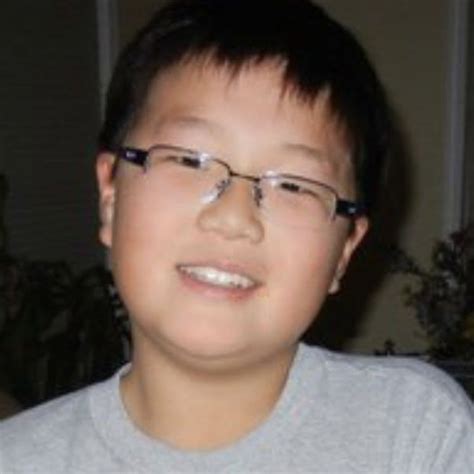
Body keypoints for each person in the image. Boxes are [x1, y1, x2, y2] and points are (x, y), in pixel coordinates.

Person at [1, 0, 473, 472]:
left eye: (294, 186)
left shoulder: (415, 434)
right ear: (111, 195)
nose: (234, 218)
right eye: (189, 160)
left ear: (345, 251)